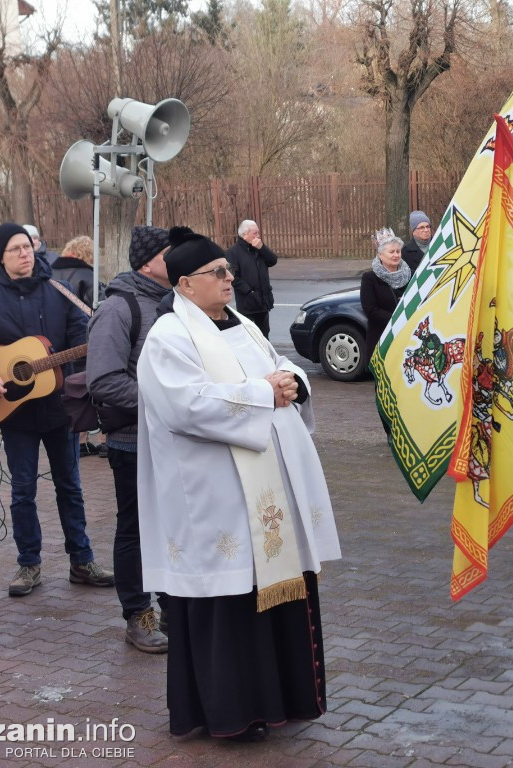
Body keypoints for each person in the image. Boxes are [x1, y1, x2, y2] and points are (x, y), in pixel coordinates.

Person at [137, 226, 341, 740]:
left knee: (274, 592)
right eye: (218, 272)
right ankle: (233, 712)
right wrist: (260, 394)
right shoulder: (169, 338)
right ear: (185, 284)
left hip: (269, 491)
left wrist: (294, 382)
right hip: (216, 500)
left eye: (228, 270)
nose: (230, 277)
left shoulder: (241, 324)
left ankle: (286, 697)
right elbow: (185, 405)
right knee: (231, 604)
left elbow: (275, 365)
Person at [0, 222, 114, 597]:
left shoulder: (57, 290)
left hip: (58, 406)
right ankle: (28, 564)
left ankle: (81, 560)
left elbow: (81, 335)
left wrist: (85, 354)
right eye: (15, 249)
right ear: (0, 258)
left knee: (70, 485)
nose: (25, 254)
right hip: (12, 410)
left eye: (28, 247)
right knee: (22, 489)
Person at [86, 226, 172, 654]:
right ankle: (138, 615)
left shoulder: (177, 302)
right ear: (148, 262)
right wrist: (165, 402)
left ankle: (175, 606)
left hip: (175, 440)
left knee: (174, 524)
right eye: (169, 254)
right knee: (135, 530)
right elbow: (103, 379)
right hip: (132, 441)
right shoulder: (119, 308)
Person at [362, 228, 409, 439]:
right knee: (384, 388)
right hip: (382, 341)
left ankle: (406, 429)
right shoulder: (370, 278)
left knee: (404, 387)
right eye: (391, 252)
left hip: (406, 341)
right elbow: (370, 309)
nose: (396, 255)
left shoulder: (409, 275)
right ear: (380, 255)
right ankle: (389, 431)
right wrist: (397, 319)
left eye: (398, 251)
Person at [225, 219, 277, 338]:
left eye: (258, 233)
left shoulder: (259, 248)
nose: (258, 236)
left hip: (263, 301)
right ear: (245, 235)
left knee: (264, 335)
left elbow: (273, 261)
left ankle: (266, 357)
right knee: (249, 336)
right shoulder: (233, 252)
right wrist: (249, 291)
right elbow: (233, 276)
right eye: (255, 233)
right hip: (247, 303)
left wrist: (262, 248)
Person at [50, 235, 97, 310]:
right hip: (80, 320)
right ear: (89, 253)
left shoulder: (49, 272)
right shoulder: (87, 275)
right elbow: (96, 305)